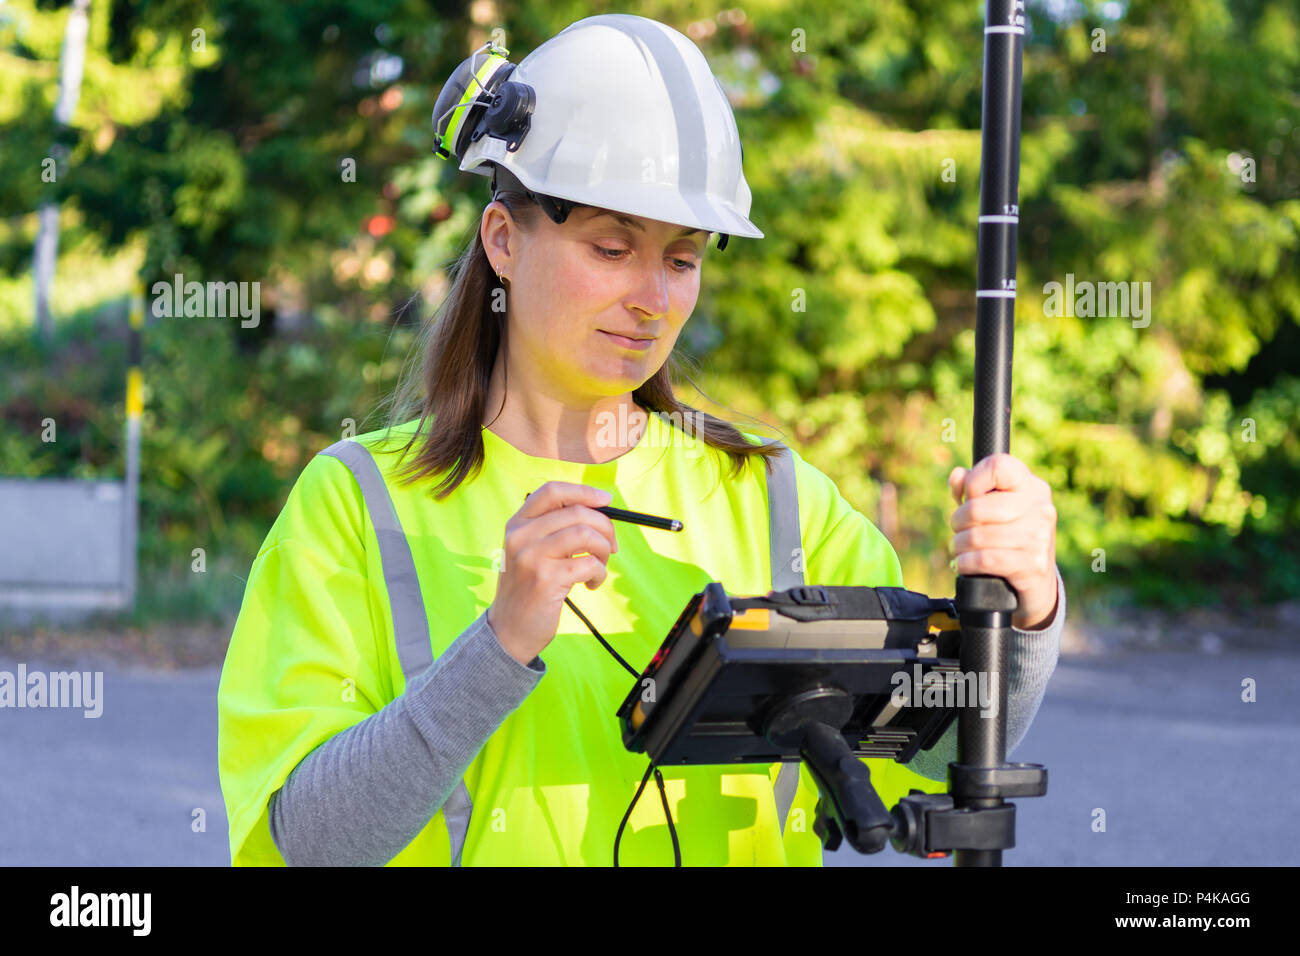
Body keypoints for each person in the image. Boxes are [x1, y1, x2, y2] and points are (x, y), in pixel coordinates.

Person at [217, 13, 1064, 867]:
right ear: (504, 240)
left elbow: (935, 764)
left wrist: (1027, 612)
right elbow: (309, 843)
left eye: (683, 259)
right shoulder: (357, 504)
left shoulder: (772, 495)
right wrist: (499, 645)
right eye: (613, 247)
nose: (652, 298)